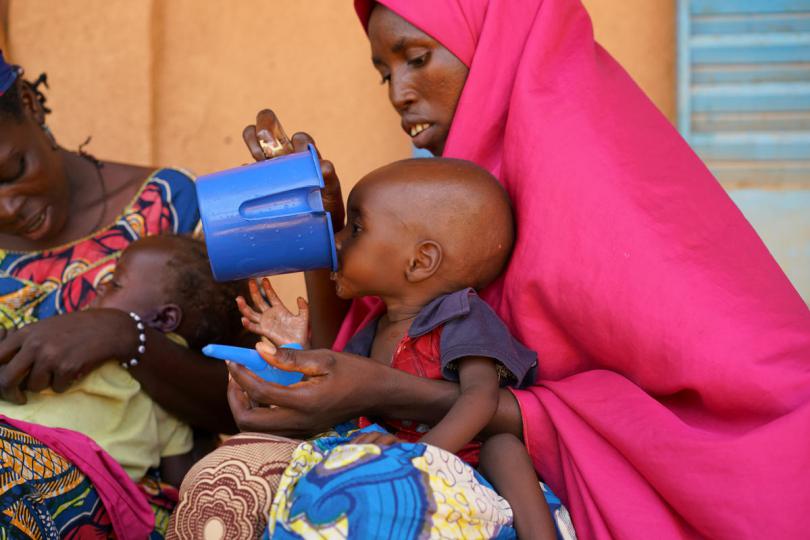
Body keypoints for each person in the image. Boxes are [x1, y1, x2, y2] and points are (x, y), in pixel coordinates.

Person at [177, 1, 810, 539]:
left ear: (497, 39)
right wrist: (317, 227)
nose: (399, 93)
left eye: (417, 57)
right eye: (385, 73)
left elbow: (726, 393)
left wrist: (376, 394)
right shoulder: (452, 189)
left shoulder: (585, 170)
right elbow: (360, 345)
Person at [239, 158, 556, 539]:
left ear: (420, 261)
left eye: (355, 229)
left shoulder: (460, 316)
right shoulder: (373, 326)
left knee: (504, 447)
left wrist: (419, 456)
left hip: (457, 463)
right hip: (391, 459)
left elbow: (482, 397)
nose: (336, 243)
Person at [0, 51, 234, 539]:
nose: (8, 208)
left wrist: (126, 336)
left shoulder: (170, 208)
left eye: (12, 170)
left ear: (29, 103)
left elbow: (244, 397)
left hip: (120, 505)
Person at [0, 235, 242, 486]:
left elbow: (15, 376)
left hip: (26, 467)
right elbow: (181, 480)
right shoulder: (170, 404)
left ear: (165, 319)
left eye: (115, 283)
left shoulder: (87, 350)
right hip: (73, 498)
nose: (100, 286)